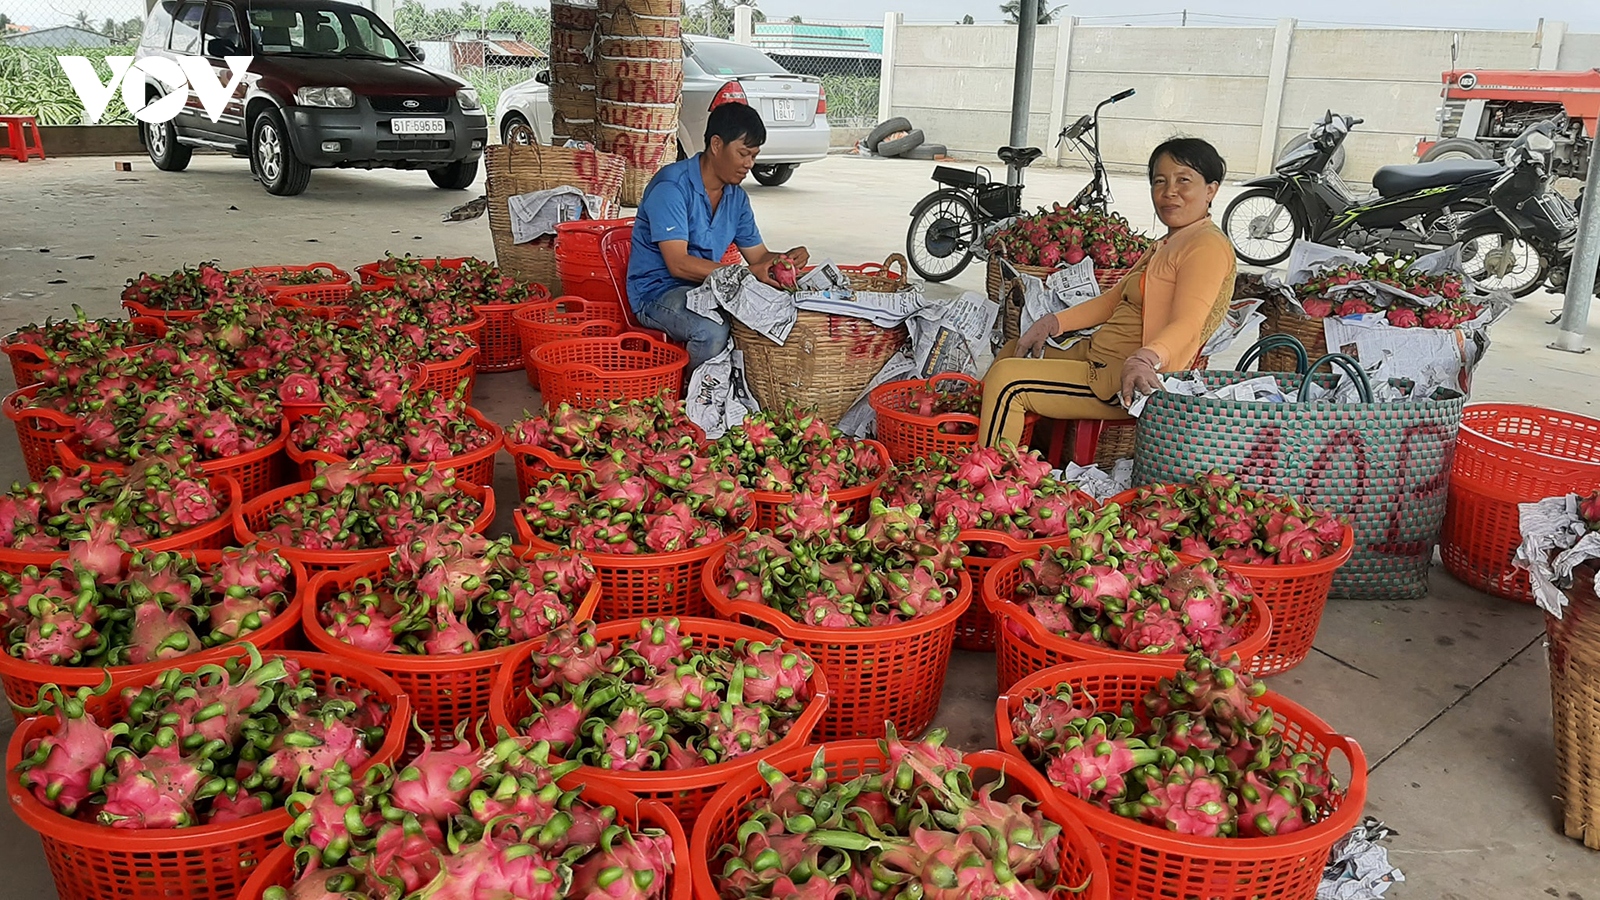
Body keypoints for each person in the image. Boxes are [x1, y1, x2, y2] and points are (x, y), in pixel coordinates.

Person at [978, 136, 1237, 448]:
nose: (1170, 192)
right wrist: (1052, 322)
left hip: (1125, 379)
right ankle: (1033, 458)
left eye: (1184, 180)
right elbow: (1113, 300)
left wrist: (1145, 359)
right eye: (1159, 181)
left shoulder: (1206, 245)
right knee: (1011, 352)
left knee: (1008, 381)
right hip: (1098, 357)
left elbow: (1189, 323)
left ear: (1211, 189)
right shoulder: (1168, 242)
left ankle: (990, 480)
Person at [627, 102, 810, 368]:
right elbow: (678, 263)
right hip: (657, 294)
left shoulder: (736, 198)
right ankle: (694, 400)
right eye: (743, 154)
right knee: (711, 330)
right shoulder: (672, 187)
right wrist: (746, 274)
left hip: (706, 288)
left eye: (754, 156)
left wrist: (784, 260)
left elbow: (758, 256)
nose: (749, 164)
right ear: (716, 145)